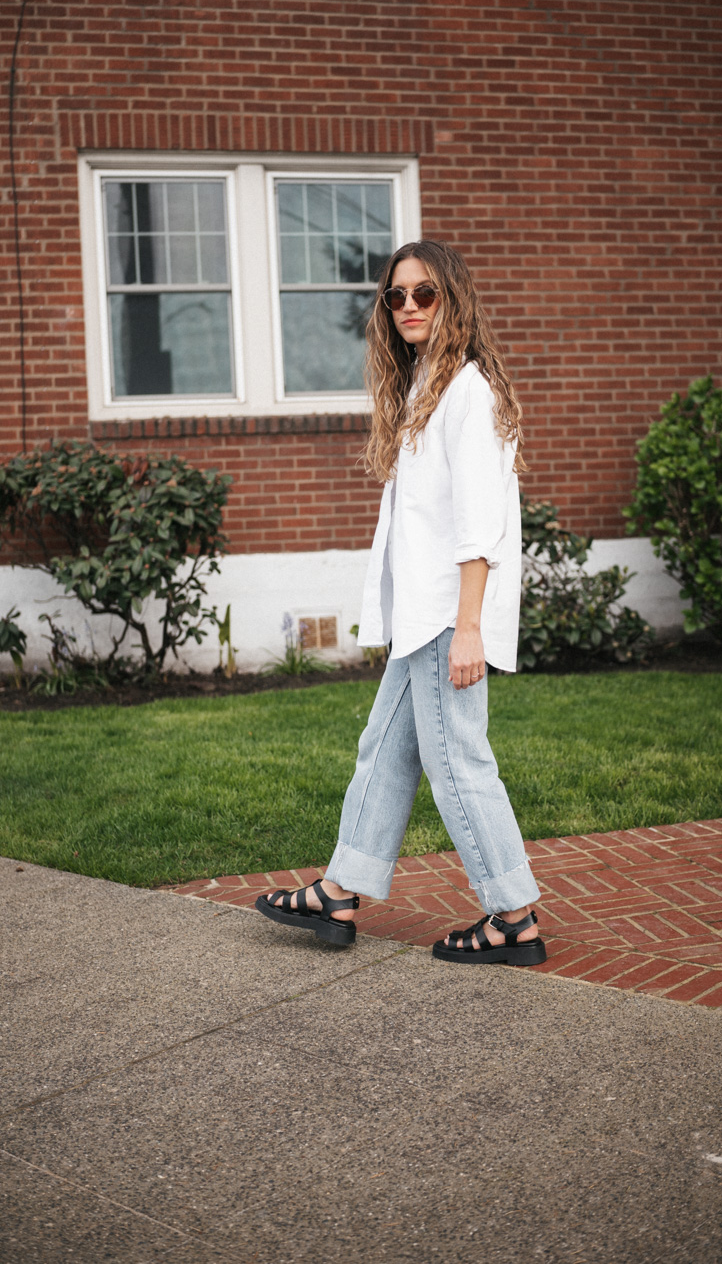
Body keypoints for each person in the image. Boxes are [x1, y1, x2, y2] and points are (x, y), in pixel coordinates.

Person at [256, 240, 545, 967]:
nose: (409, 307)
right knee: (383, 751)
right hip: (424, 616)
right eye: (396, 296)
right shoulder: (426, 385)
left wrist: (469, 630)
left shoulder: (468, 391)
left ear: (454, 299)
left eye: (425, 294)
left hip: (450, 617)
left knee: (458, 764)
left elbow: (480, 527)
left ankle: (513, 917)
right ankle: (340, 890)